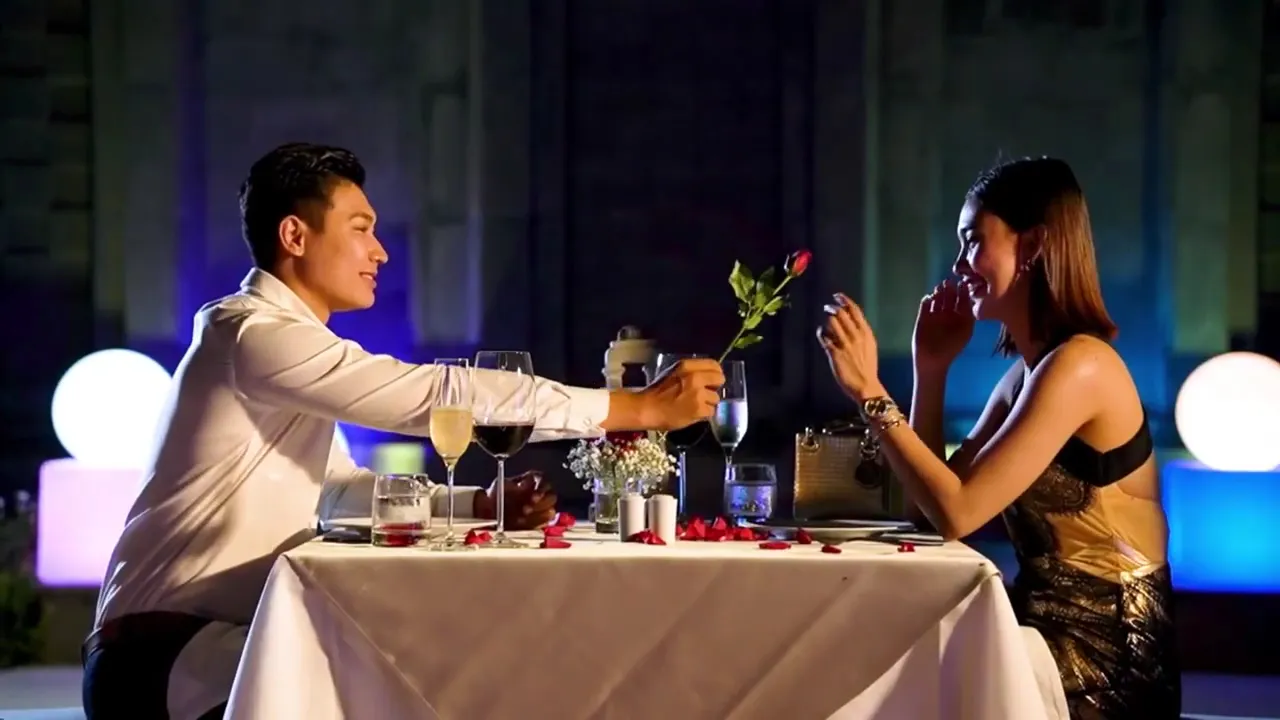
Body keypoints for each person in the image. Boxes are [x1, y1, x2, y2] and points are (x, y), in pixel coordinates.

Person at [82, 142, 725, 720]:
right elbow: (436, 395)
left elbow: (337, 493)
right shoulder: (253, 335)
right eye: (361, 229)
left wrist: (475, 506)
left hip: (223, 641)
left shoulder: (281, 346)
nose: (380, 252)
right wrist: (633, 410)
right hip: (161, 655)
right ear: (295, 235)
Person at [817, 157, 1180, 718]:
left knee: (905, 675)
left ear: (1032, 246)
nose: (959, 264)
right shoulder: (1024, 377)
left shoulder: (1082, 366)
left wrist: (870, 392)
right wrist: (929, 371)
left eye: (972, 242)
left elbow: (958, 512)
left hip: (1106, 662)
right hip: (1035, 637)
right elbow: (927, 511)